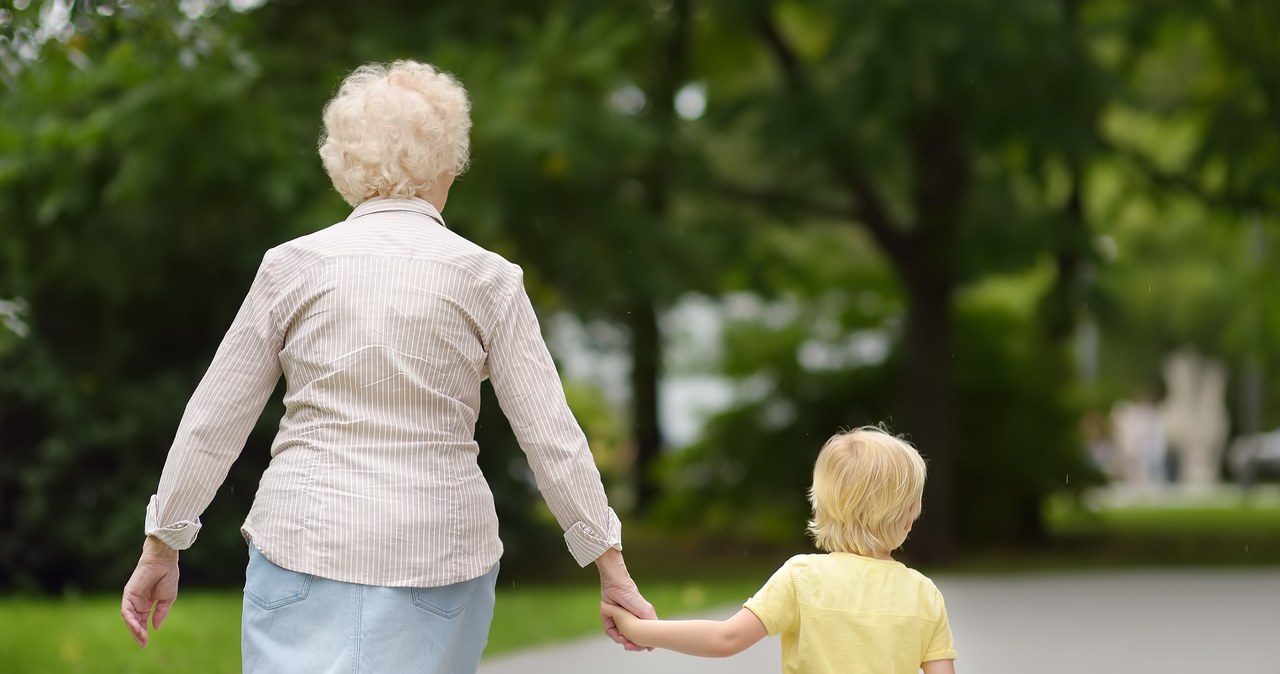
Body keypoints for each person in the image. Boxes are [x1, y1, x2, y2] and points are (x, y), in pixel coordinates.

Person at [120, 60, 655, 673]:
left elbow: (214, 419)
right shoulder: (489, 281)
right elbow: (551, 437)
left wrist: (162, 543)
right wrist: (609, 565)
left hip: (303, 538)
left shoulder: (292, 268)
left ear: (344, 164)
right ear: (448, 164)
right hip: (441, 553)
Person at [602, 426, 957, 674]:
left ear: (823, 506)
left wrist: (638, 629)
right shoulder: (924, 595)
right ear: (909, 518)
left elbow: (726, 638)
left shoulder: (803, 578)